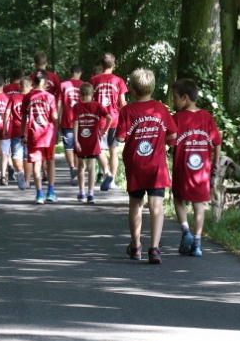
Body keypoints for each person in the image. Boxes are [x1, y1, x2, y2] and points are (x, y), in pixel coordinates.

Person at [114, 68, 174, 264]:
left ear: (131, 90)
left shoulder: (127, 111)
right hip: (156, 165)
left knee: (136, 205)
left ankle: (136, 245)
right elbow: (173, 135)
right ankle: (154, 248)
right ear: (153, 87)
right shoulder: (160, 109)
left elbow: (121, 137)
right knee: (157, 205)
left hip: (136, 164)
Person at [170, 79, 222, 257]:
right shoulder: (207, 117)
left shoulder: (177, 118)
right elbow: (217, 142)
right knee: (198, 205)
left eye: (175, 97)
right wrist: (216, 161)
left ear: (185, 98)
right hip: (202, 170)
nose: (173, 101)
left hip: (181, 168)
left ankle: (186, 231)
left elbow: (169, 140)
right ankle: (197, 243)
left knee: (178, 198)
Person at [90, 53, 129, 191]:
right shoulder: (119, 80)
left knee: (97, 150)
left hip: (98, 120)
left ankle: (106, 173)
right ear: (114, 65)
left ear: (101, 65)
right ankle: (111, 178)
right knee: (114, 150)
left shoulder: (93, 80)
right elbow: (122, 103)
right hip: (114, 118)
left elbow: (89, 101)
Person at [69, 81, 110, 204]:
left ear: (79, 95)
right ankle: (91, 194)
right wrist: (104, 131)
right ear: (92, 94)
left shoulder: (77, 107)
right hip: (93, 141)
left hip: (81, 140)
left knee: (81, 166)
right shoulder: (98, 106)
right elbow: (110, 117)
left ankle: (81, 192)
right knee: (91, 167)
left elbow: (75, 123)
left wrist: (75, 140)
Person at [24, 70, 59, 203]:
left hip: (33, 134)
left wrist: (23, 134)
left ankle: (39, 194)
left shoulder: (28, 96)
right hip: (48, 135)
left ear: (33, 82)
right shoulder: (49, 97)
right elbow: (54, 117)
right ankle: (51, 191)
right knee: (50, 162)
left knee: (36, 165)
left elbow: (24, 117)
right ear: (45, 82)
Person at [57, 65, 84, 184]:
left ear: (70, 72)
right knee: (78, 147)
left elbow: (59, 103)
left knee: (68, 146)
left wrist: (57, 119)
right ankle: (77, 171)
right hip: (82, 119)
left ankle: (72, 168)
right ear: (81, 73)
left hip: (67, 119)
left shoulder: (63, 85)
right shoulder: (84, 85)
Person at [4, 70, 29, 188]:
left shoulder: (13, 97)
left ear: (20, 86)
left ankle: (20, 172)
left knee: (16, 155)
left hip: (15, 130)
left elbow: (7, 113)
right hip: (30, 130)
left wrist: (5, 127)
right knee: (27, 156)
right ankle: (27, 179)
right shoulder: (32, 97)